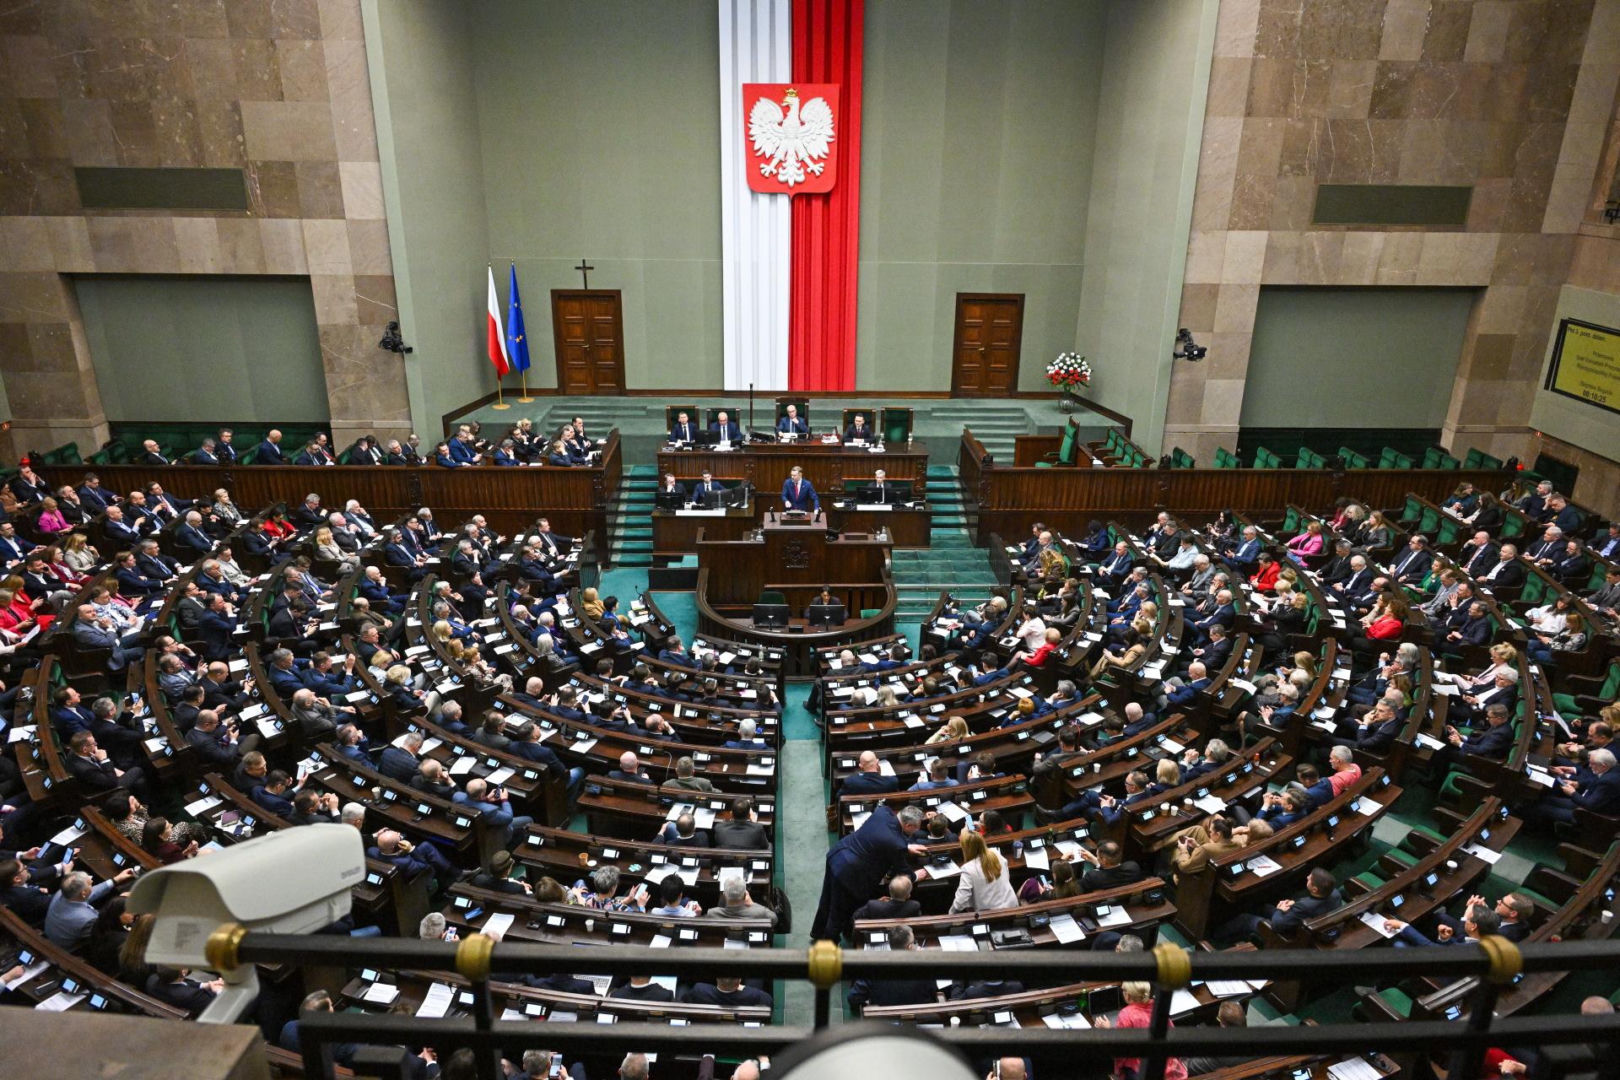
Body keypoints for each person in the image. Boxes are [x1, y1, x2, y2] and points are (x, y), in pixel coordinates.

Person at [811, 803, 925, 941]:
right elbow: (903, 869)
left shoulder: (883, 812)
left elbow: (881, 837)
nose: (917, 830)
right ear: (908, 826)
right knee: (838, 911)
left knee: (827, 898)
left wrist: (906, 847)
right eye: (916, 827)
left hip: (837, 855)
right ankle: (829, 944)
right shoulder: (897, 843)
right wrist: (914, 876)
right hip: (848, 873)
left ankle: (818, 931)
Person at [1092, 982, 1190, 1080]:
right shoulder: (1157, 1006)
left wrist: (1108, 1029)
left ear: (1128, 996)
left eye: (1123, 990)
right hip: (1169, 1067)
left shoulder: (1126, 1015)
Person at [845, 925, 937, 1011]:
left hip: (884, 1021)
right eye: (914, 942)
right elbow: (933, 994)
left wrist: (869, 1008)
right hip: (919, 1017)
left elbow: (853, 998)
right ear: (909, 947)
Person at [947, 827, 1017, 913]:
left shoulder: (968, 868)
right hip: (1012, 905)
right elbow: (1006, 875)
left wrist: (951, 913)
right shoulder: (995, 852)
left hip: (990, 913)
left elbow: (961, 899)